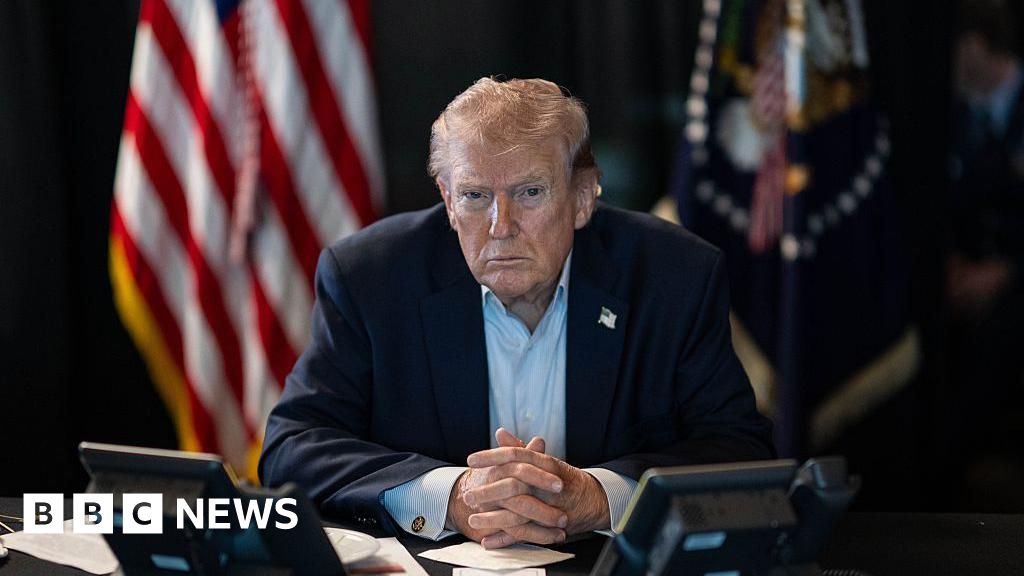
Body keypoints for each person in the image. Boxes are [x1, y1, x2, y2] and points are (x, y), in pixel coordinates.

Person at [259, 77, 774, 547]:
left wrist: (601, 496)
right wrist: (449, 496)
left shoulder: (674, 277)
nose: (500, 226)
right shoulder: (370, 277)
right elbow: (293, 446)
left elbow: (738, 451)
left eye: (529, 192)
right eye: (474, 195)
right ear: (447, 200)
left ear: (583, 196)